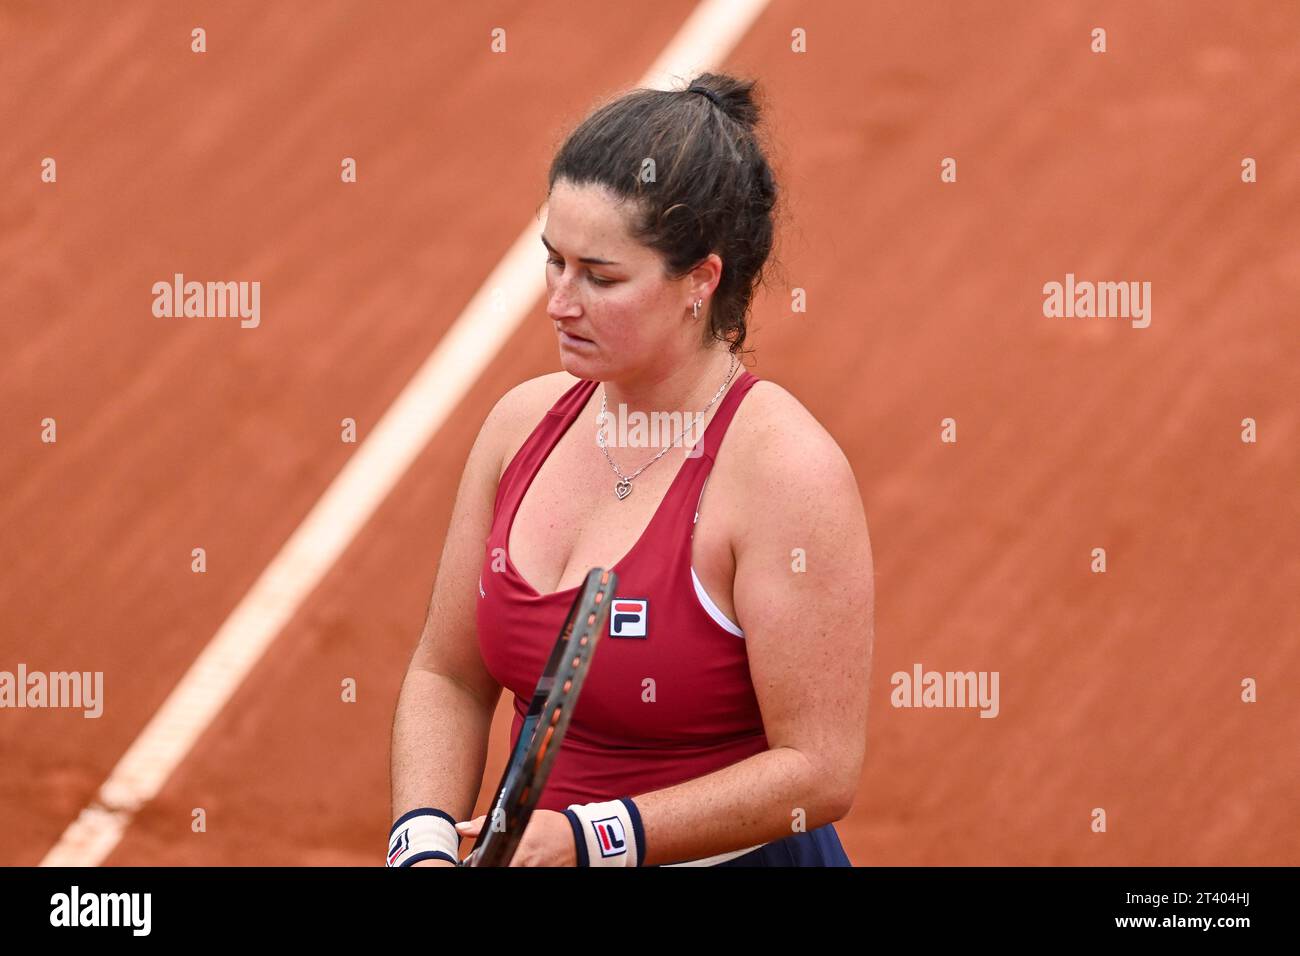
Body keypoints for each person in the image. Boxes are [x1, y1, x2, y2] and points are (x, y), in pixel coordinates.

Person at [388, 72, 873, 867]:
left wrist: (595, 838)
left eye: (601, 277)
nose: (559, 301)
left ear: (700, 281)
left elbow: (818, 772)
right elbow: (448, 675)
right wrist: (424, 838)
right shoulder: (520, 427)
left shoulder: (786, 475)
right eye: (554, 262)